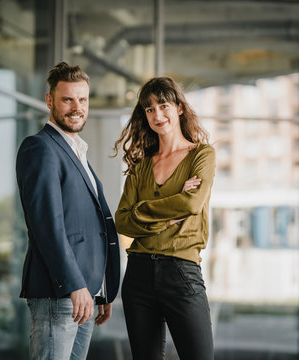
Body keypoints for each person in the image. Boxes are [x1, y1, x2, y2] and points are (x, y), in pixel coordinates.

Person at [16, 61, 120, 360]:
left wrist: (100, 288)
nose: (77, 107)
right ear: (50, 101)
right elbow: (47, 224)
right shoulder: (40, 148)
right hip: (59, 292)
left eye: (83, 99)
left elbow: (88, 224)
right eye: (68, 99)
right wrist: (74, 285)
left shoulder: (79, 153)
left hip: (85, 294)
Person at [113, 76, 215, 360]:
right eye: (149, 109)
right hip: (138, 274)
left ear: (179, 108)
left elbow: (192, 203)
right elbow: (122, 221)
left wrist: (142, 212)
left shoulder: (201, 155)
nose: (157, 115)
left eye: (163, 105)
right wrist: (167, 215)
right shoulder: (140, 165)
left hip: (181, 273)